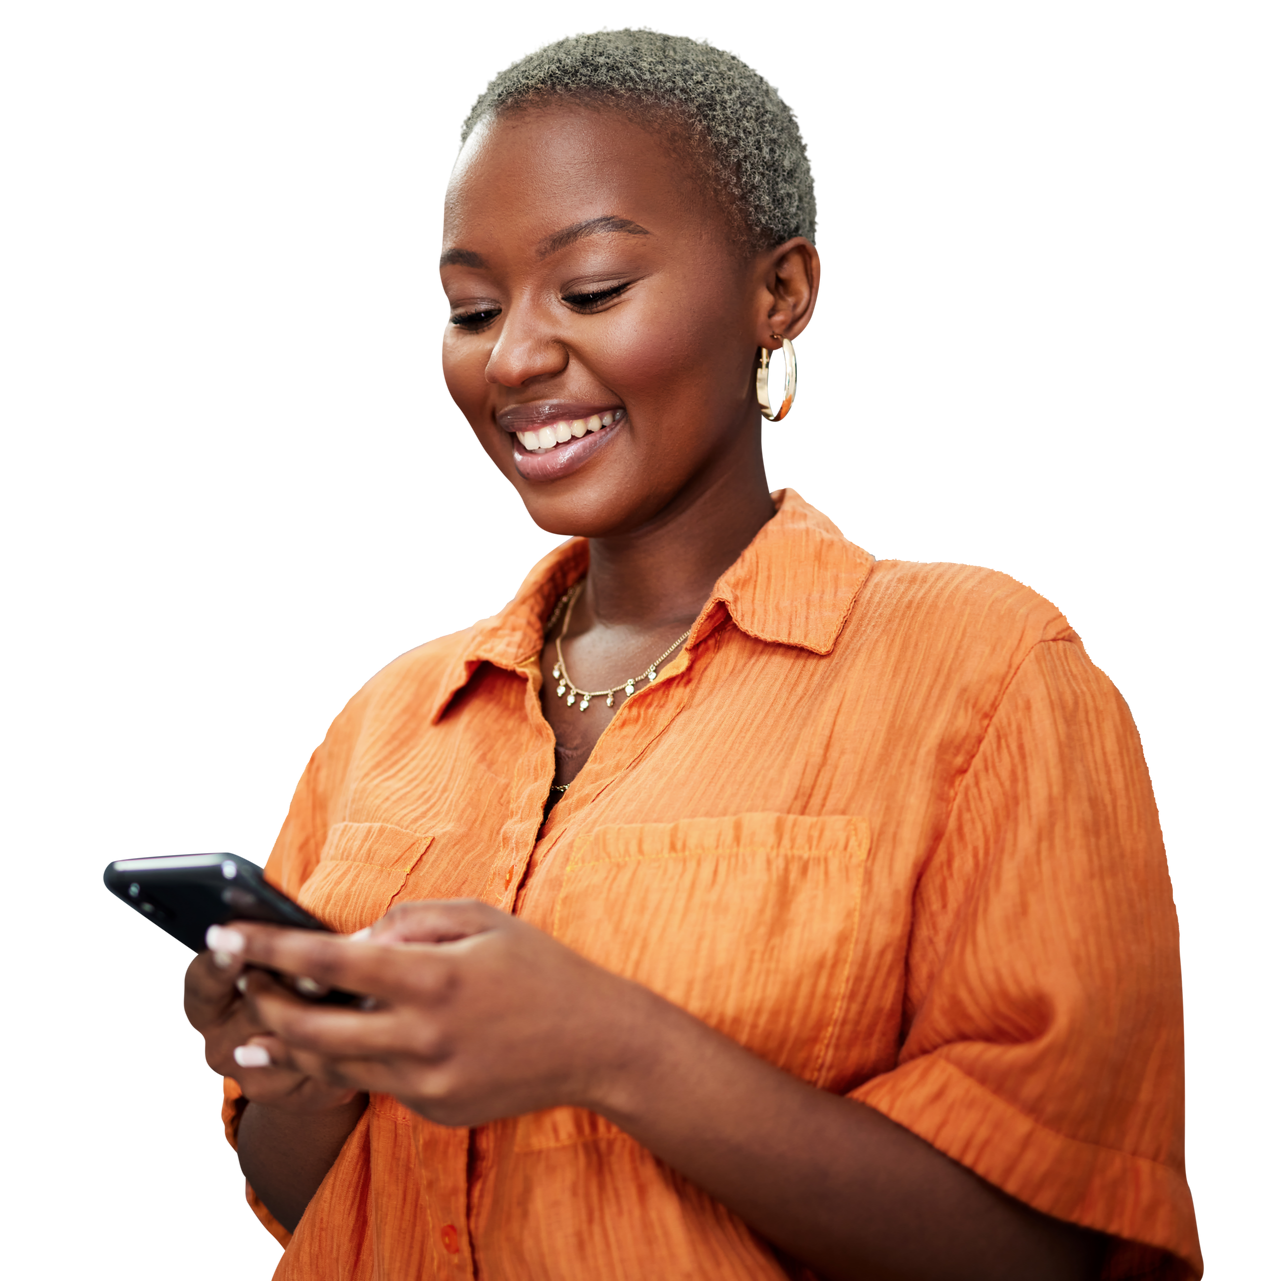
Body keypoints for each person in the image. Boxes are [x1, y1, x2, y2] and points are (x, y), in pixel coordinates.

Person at [182, 28, 1201, 1281]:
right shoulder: (392, 717)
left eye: (593, 289)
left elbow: (1043, 1250)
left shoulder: (985, 672)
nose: (513, 359)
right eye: (471, 308)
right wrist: (293, 1076)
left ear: (780, 292)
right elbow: (313, 1202)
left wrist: (612, 1047)